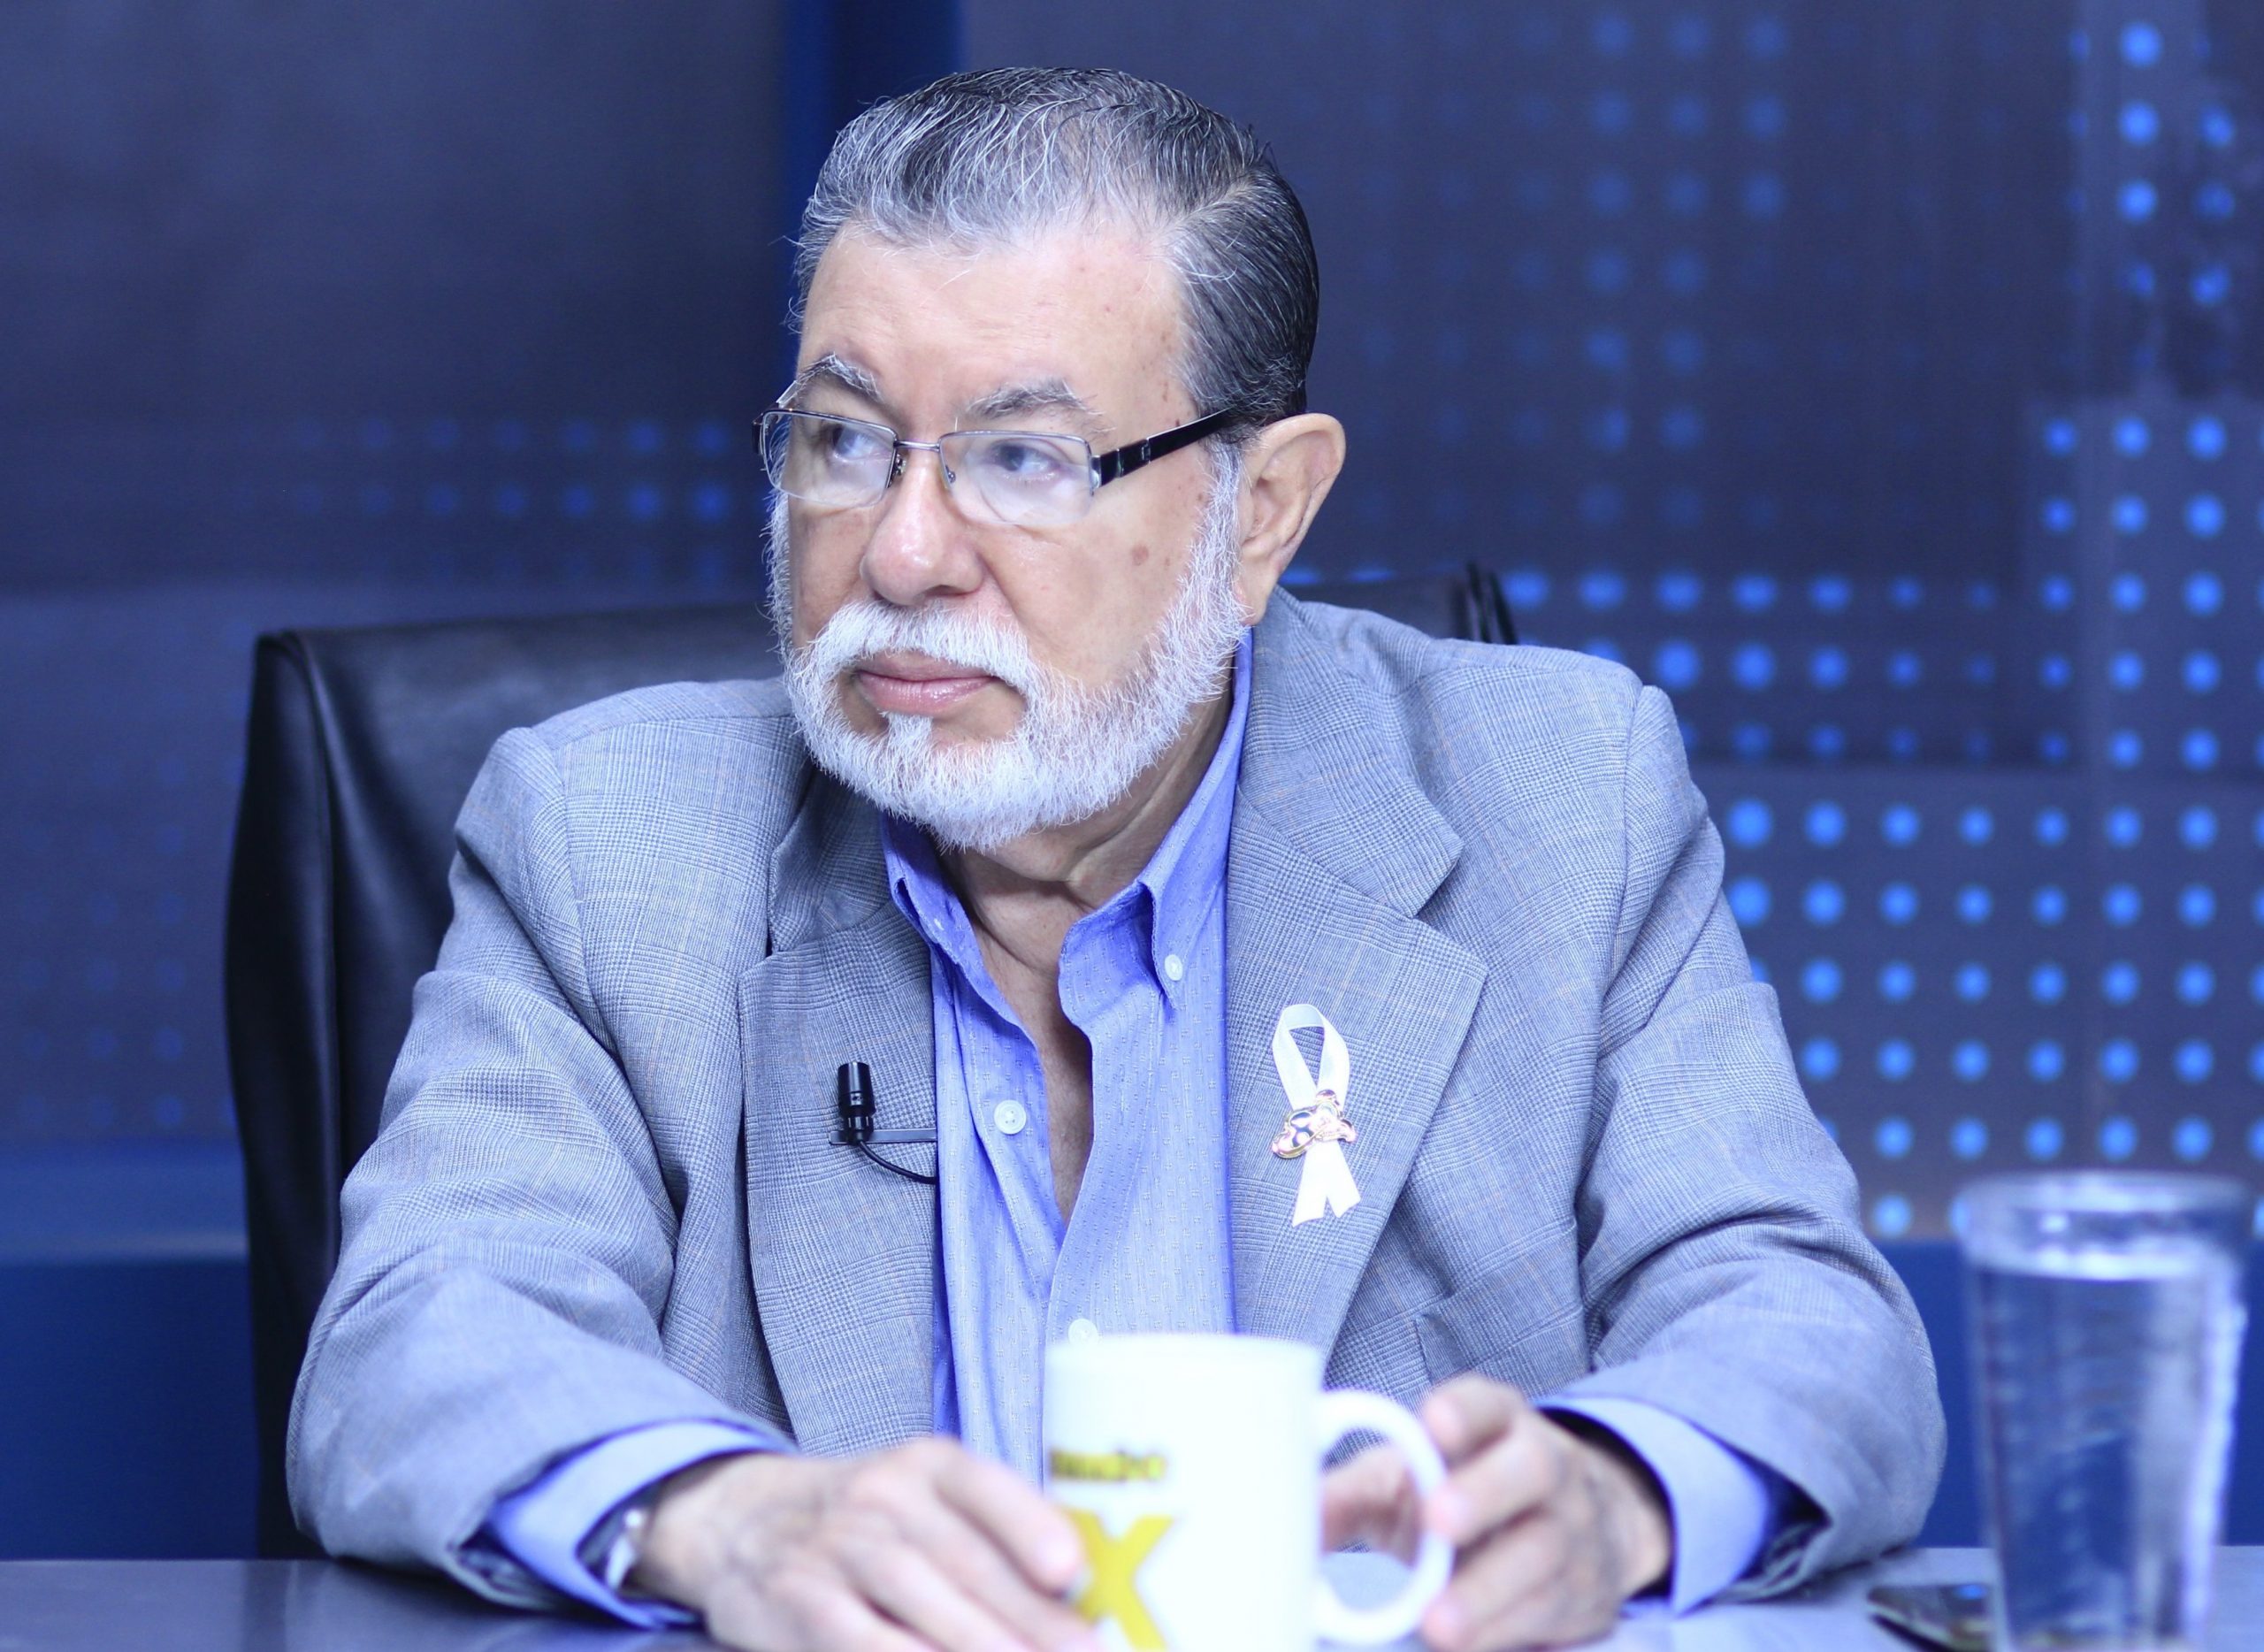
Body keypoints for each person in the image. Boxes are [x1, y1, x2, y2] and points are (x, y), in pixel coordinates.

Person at [291, 65, 1942, 1652]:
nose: (904, 553)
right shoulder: (608, 843)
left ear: (1263, 512)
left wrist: (1615, 1494)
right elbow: (415, 1346)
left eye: (1023, 459)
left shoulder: (1564, 799)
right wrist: (728, 1523)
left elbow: (1807, 1323)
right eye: (845, 441)